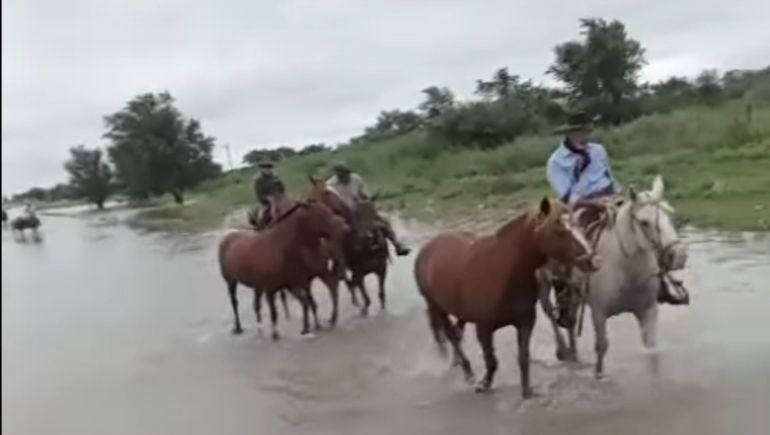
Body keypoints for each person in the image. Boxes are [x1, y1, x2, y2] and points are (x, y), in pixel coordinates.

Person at [325, 162, 410, 256]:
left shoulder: (356, 179)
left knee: (383, 222)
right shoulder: (330, 185)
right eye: (340, 174)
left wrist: (367, 199)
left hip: (359, 210)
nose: (343, 176)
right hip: (341, 213)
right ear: (337, 174)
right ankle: (332, 257)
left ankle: (397, 245)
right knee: (332, 234)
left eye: (345, 174)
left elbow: (364, 194)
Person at [546, 111, 621, 204]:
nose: (586, 136)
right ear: (570, 134)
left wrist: (619, 193)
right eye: (581, 132)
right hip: (583, 204)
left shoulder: (598, 150)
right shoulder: (556, 162)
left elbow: (610, 177)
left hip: (611, 195)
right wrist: (596, 202)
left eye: (588, 132)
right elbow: (567, 196)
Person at [251, 161, 283, 228]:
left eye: (269, 168)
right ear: (262, 170)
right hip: (266, 202)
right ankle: (260, 228)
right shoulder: (258, 180)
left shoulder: (275, 178)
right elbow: (259, 195)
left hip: (279, 199)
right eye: (265, 168)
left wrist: (279, 185)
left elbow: (282, 190)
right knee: (261, 215)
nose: (268, 170)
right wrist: (268, 198)